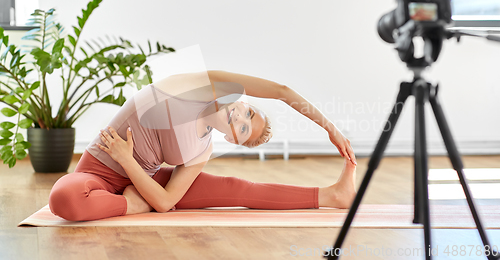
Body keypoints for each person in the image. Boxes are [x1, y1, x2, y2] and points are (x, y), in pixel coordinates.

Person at [49, 70, 357, 221]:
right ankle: (132, 205)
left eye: (244, 128)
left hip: (142, 179)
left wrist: (129, 163)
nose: (240, 115)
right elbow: (280, 90)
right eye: (248, 111)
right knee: (64, 197)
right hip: (99, 171)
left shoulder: (203, 149)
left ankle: (333, 195)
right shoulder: (198, 87)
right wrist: (331, 129)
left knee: (237, 187)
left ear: (232, 139)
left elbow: (165, 202)